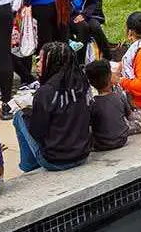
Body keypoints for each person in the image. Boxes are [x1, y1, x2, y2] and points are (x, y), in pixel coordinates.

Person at [14, 41, 91, 172]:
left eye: (42, 60)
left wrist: (31, 112)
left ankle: (28, 166)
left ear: (54, 63)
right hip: (83, 154)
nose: (37, 64)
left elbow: (37, 133)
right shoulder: (82, 84)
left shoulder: (45, 92)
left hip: (55, 161)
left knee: (19, 116)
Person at [84, 60, 129, 152]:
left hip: (101, 144)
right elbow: (130, 116)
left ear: (91, 83)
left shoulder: (92, 104)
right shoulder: (119, 97)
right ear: (110, 76)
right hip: (122, 139)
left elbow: (87, 125)